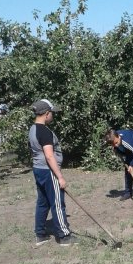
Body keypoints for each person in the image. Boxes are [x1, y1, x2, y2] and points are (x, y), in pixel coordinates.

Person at [28, 99, 77, 246]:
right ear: (46, 113)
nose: (53, 116)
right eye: (52, 113)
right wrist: (60, 177)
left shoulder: (32, 129)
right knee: (57, 203)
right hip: (49, 171)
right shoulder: (44, 131)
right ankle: (64, 236)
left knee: (42, 203)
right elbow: (49, 156)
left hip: (38, 169)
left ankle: (40, 234)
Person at [105, 128, 133, 205]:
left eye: (116, 143)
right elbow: (123, 149)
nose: (115, 145)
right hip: (132, 151)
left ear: (118, 136)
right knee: (128, 171)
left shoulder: (126, 141)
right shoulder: (114, 137)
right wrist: (117, 150)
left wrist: (132, 165)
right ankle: (128, 193)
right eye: (113, 144)